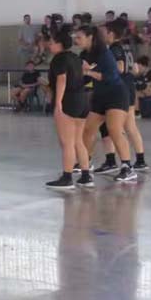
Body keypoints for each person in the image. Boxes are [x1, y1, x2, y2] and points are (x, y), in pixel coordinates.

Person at [76, 25, 137, 183]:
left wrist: (88, 71)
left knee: (114, 129)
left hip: (116, 94)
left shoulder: (104, 53)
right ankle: (86, 163)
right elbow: (84, 78)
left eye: (79, 37)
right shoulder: (85, 54)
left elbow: (111, 75)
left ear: (90, 37)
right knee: (88, 130)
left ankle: (127, 167)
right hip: (100, 96)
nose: (76, 40)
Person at [45, 25, 91, 190]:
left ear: (59, 44)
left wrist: (58, 103)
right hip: (82, 101)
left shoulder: (59, 59)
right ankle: (86, 176)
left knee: (67, 143)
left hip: (68, 102)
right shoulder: (75, 57)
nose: (49, 45)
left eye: (51, 42)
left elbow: (62, 79)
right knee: (78, 140)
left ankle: (67, 177)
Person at [107, 19, 148, 171]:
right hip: (129, 85)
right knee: (130, 126)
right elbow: (134, 68)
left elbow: (120, 68)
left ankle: (117, 161)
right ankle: (140, 159)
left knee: (114, 126)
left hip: (121, 88)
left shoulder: (115, 48)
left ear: (112, 33)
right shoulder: (129, 46)